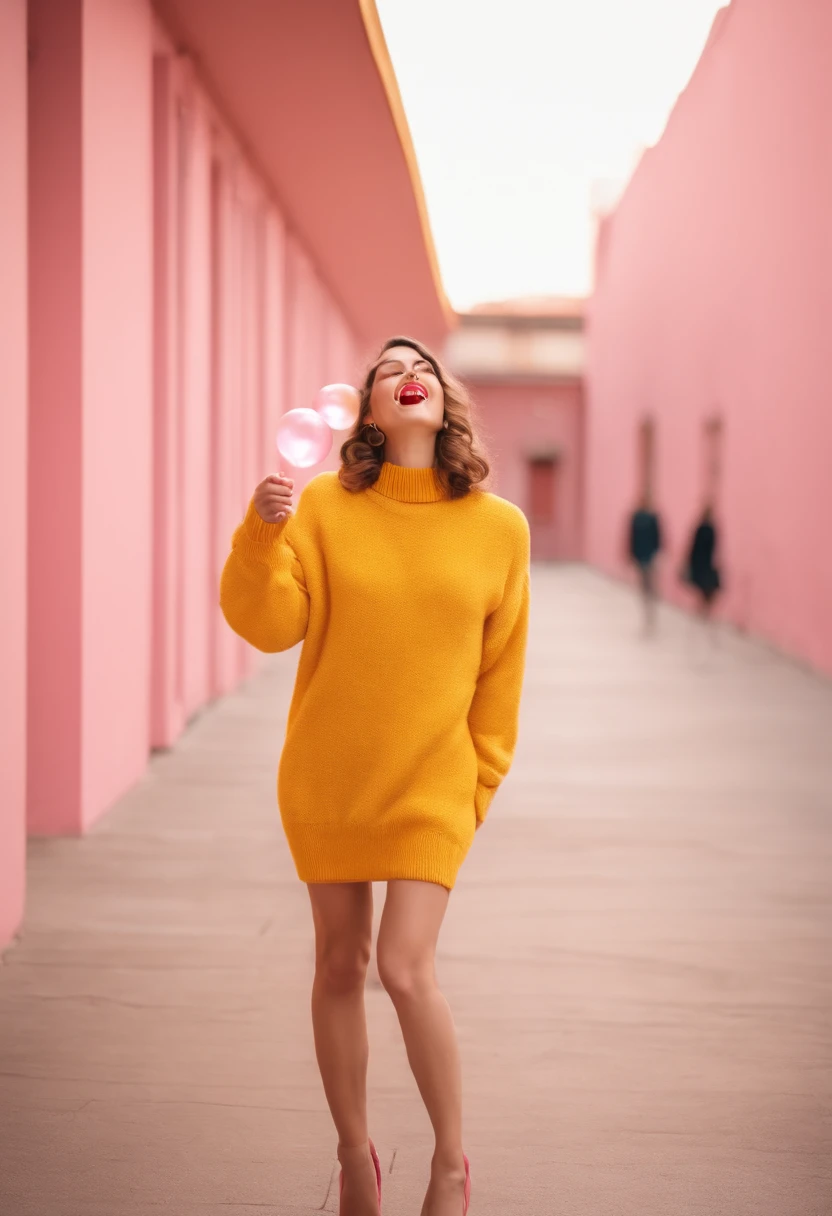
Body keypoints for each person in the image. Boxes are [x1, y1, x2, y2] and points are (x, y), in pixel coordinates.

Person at [220, 336, 530, 1216]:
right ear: (368, 408)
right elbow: (269, 623)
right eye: (390, 367)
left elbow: (501, 674)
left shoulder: (499, 527)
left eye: (422, 364)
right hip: (330, 774)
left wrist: (478, 787)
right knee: (338, 963)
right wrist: (261, 533)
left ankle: (449, 1163)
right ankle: (357, 1158)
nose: (409, 373)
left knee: (403, 967)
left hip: (435, 781)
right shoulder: (323, 506)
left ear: (444, 400)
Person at [682, 504, 722, 635]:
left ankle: (703, 609)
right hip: (703, 562)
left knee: (706, 587)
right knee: (704, 587)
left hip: (702, 562)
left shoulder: (708, 529)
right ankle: (703, 609)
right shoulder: (707, 529)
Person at [627, 495, 663, 634]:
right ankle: (647, 608)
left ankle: (650, 608)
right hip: (641, 557)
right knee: (645, 584)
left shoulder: (651, 518)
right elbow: (632, 538)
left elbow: (657, 538)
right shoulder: (637, 518)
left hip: (649, 557)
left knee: (649, 584)